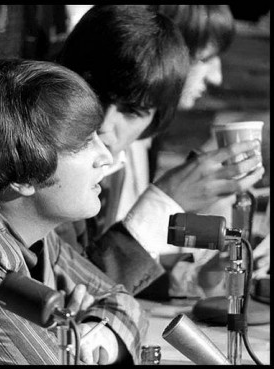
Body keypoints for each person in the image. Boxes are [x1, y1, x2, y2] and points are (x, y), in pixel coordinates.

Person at [0, 59, 147, 365]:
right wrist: (68, 335)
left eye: (97, 136)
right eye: (82, 144)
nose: (106, 157)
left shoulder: (40, 236)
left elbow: (122, 299)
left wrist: (99, 332)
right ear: (23, 177)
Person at [56, 5, 264, 296]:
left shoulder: (139, 141)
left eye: (133, 111)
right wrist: (165, 202)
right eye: (203, 58)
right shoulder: (51, 164)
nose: (104, 124)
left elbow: (98, 260)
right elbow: (74, 290)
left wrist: (188, 278)